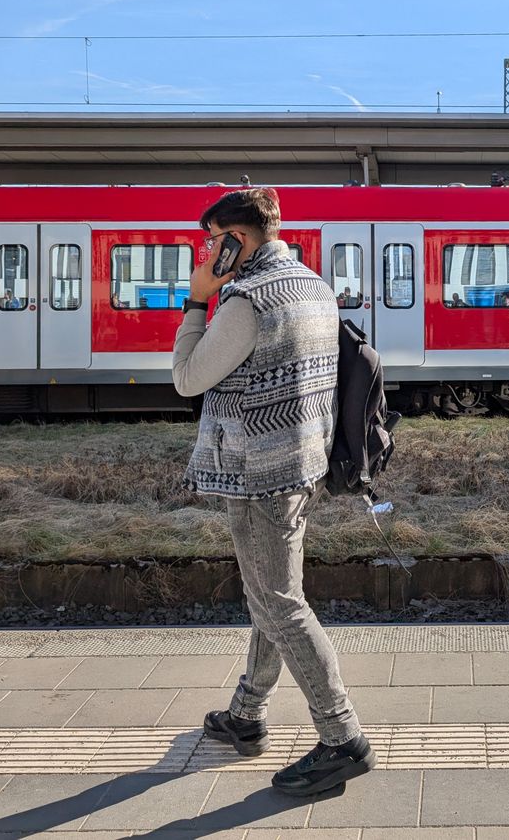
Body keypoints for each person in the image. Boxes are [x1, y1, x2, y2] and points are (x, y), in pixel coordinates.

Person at [172, 187, 372, 798]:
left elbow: (187, 378)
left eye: (213, 242)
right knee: (270, 593)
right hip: (302, 463)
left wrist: (195, 302)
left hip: (258, 474)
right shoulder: (312, 285)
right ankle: (247, 713)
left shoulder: (244, 300)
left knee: (280, 603)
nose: (206, 252)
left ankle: (342, 739)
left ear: (237, 240)